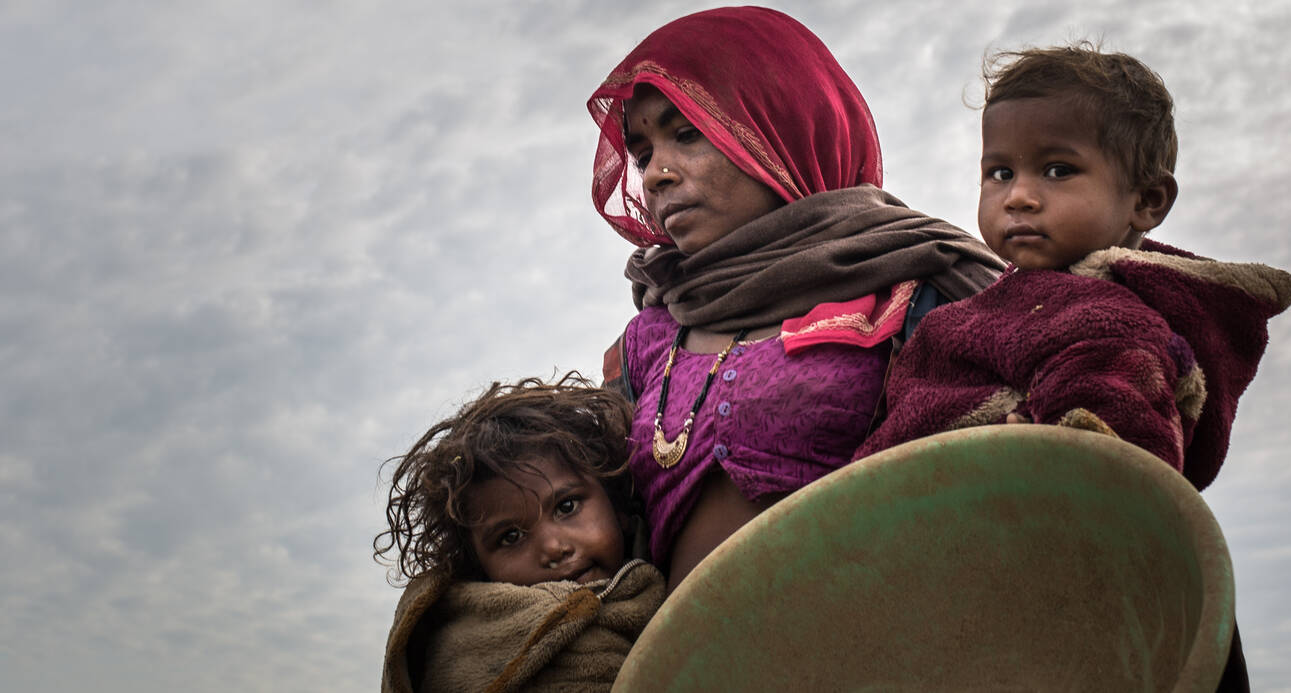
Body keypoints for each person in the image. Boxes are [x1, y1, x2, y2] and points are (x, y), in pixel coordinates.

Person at [589, 7, 1003, 590]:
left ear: (777, 127)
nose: (656, 173)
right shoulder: (647, 340)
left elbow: (1008, 484)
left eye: (686, 134)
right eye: (642, 154)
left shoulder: (917, 283)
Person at [854, 44, 1291, 494]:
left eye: (1058, 170)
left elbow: (1119, 468)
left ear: (1148, 201)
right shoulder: (1008, 301)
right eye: (1001, 173)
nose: (1018, 197)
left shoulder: (1111, 322)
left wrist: (1049, 455)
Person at [376, 374, 665, 693]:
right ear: (479, 569)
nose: (553, 548)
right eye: (511, 537)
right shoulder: (460, 652)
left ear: (616, 503)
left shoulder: (674, 571)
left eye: (567, 506)